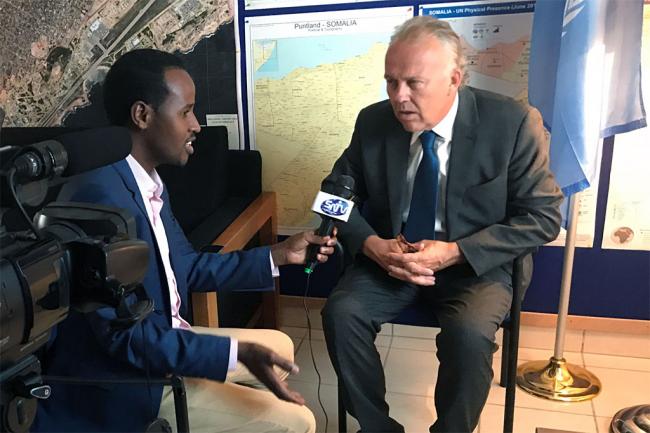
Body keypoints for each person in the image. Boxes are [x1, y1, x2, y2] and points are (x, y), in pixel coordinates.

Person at [33, 48, 335, 433]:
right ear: (142, 115)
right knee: (297, 422)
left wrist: (279, 255)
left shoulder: (145, 180)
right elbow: (126, 339)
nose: (196, 125)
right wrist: (230, 353)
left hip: (163, 341)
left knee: (281, 347)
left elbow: (186, 267)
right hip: (131, 382)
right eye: (186, 112)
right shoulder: (100, 200)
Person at [321, 16, 563, 433]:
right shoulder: (373, 121)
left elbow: (544, 217)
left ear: (454, 79)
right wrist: (372, 245)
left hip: (474, 265)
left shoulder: (512, 122)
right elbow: (331, 199)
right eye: (391, 82)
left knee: (468, 335)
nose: (399, 97)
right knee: (341, 314)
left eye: (414, 83)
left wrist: (455, 252)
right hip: (392, 259)